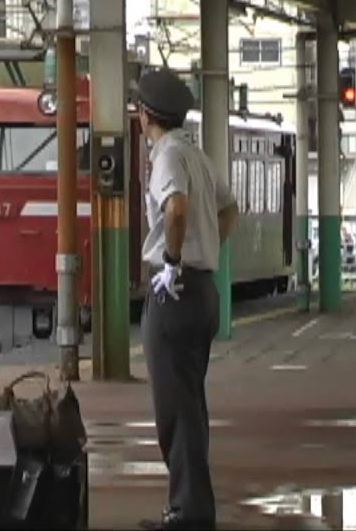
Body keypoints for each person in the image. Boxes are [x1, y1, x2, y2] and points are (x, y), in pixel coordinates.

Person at [135, 67, 238, 531]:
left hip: (174, 292)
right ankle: (193, 507)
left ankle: (187, 511)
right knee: (191, 406)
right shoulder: (197, 155)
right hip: (203, 292)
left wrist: (174, 260)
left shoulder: (167, 157)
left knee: (173, 410)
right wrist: (208, 247)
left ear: (145, 116)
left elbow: (174, 208)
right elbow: (230, 208)